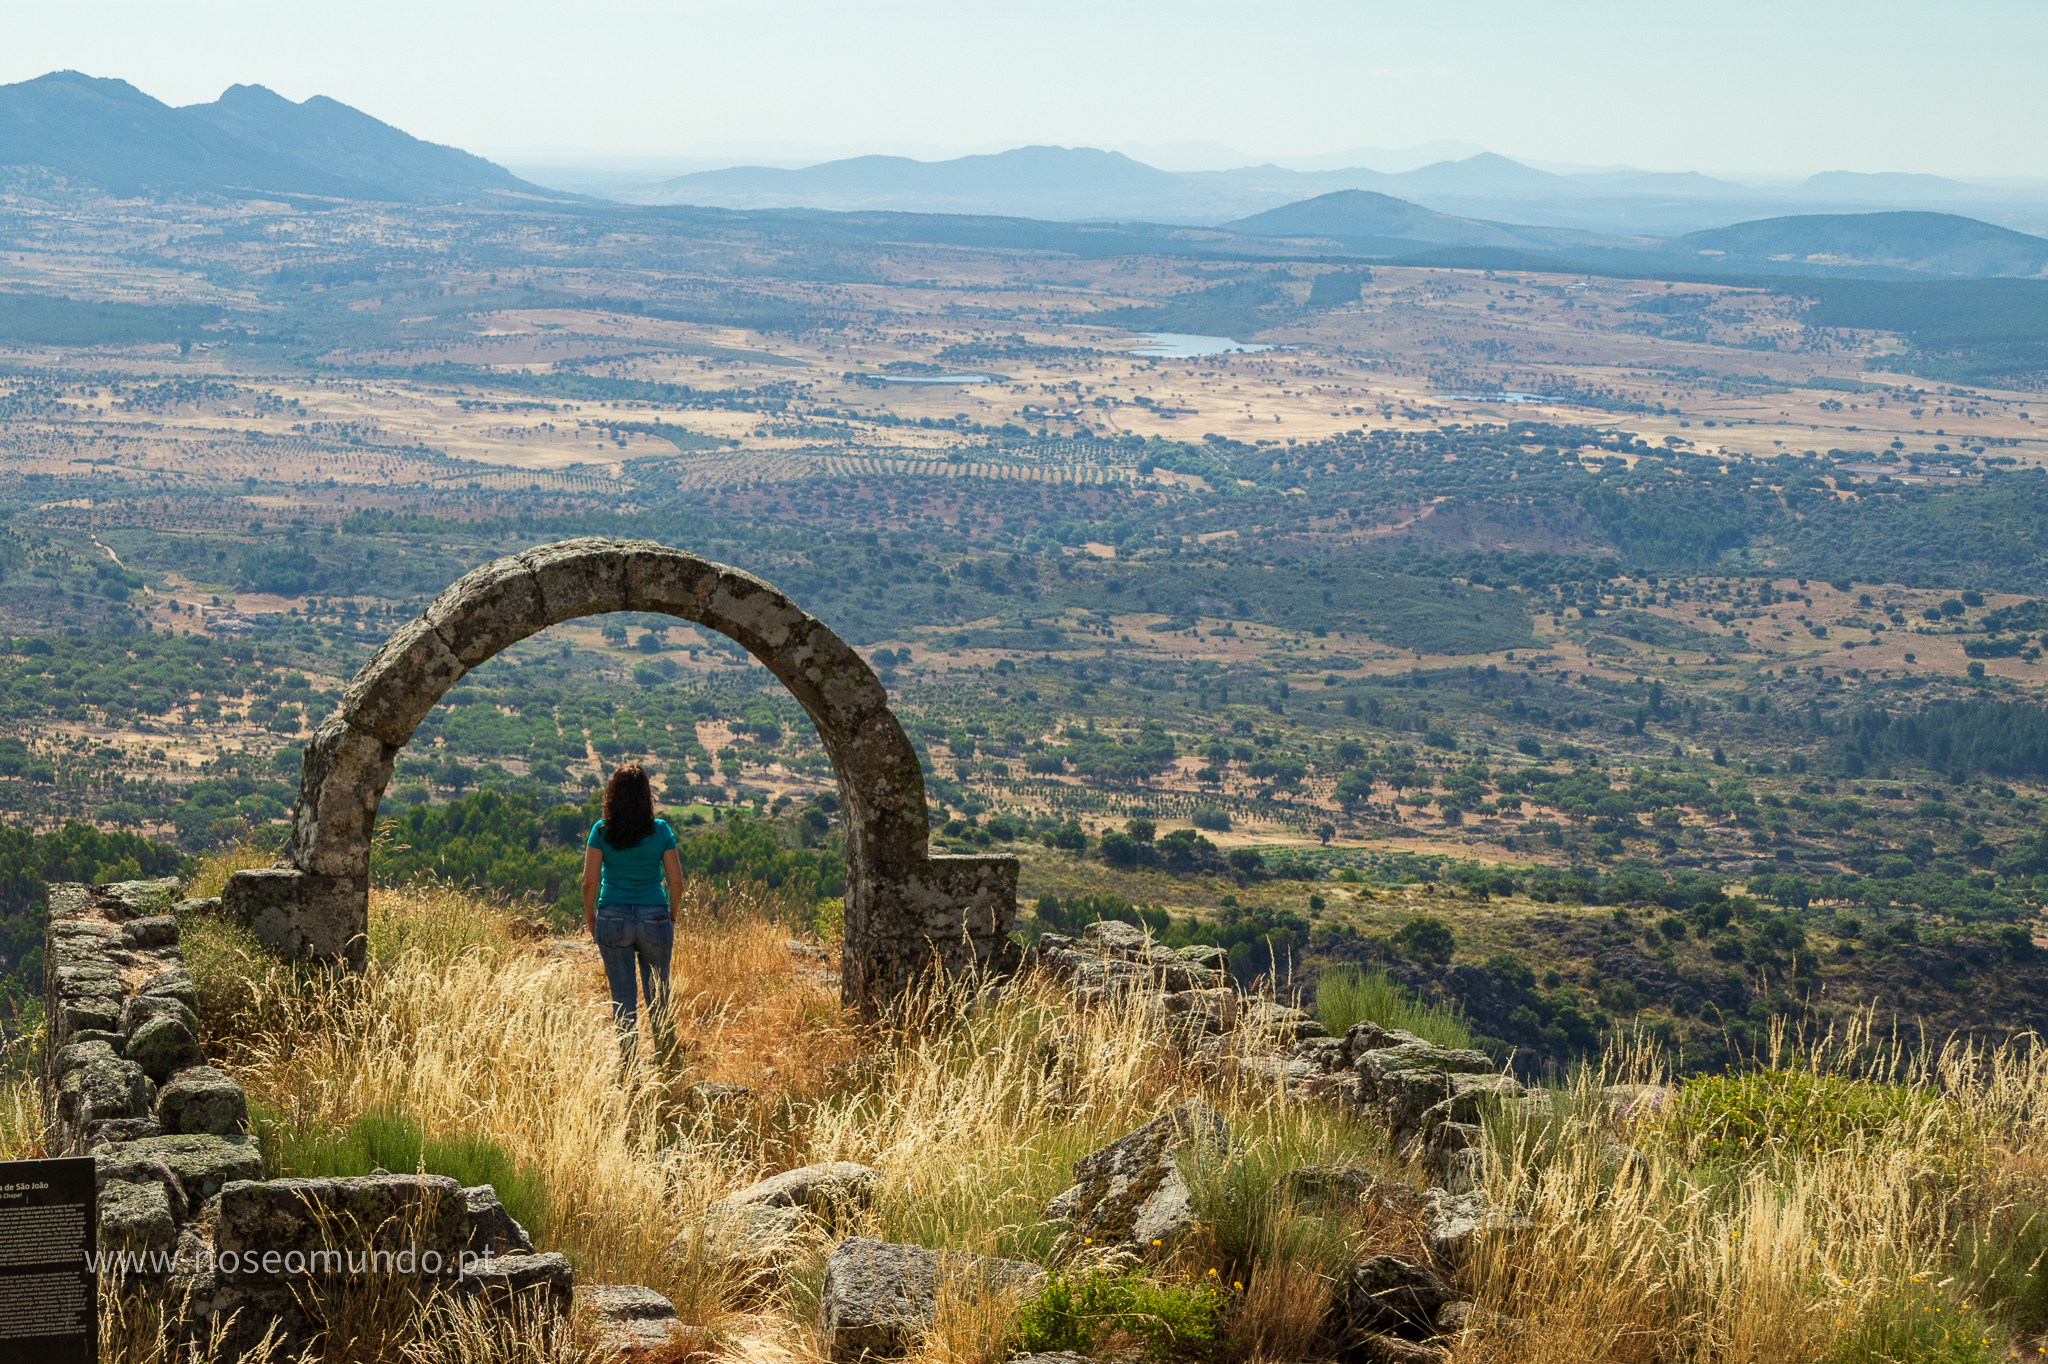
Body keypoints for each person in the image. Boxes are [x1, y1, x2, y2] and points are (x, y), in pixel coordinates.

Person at [582, 764, 683, 1068]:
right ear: (646, 797)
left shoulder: (601, 831)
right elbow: (676, 881)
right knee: (659, 995)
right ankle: (666, 1061)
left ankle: (629, 1066)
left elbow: (589, 882)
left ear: (612, 795)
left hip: (612, 917)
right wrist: (671, 914)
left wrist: (592, 918)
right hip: (654, 916)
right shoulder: (661, 830)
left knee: (623, 997)